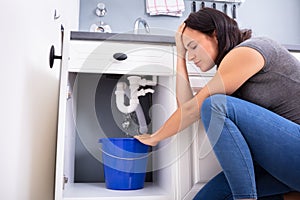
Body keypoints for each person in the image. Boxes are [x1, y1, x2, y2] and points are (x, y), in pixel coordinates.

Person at [134, 7, 300, 200]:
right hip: (280, 162)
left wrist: (154, 137)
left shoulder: (248, 51)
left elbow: (193, 109)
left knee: (215, 105)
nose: (191, 56)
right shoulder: (230, 69)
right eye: (188, 51)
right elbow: (186, 107)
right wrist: (179, 56)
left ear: (215, 34)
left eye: (193, 47)